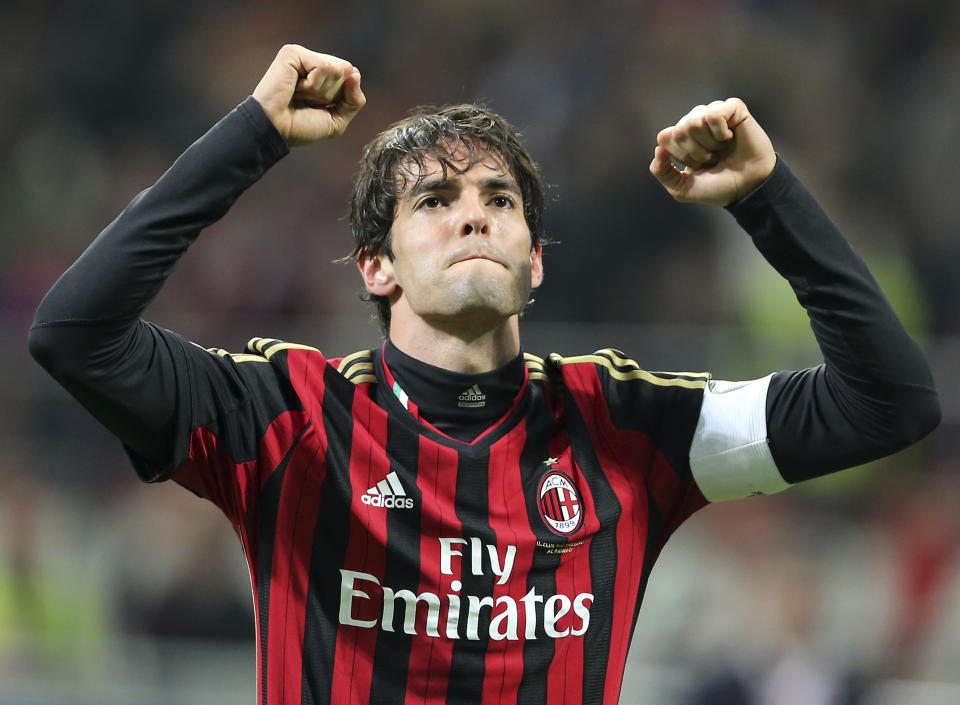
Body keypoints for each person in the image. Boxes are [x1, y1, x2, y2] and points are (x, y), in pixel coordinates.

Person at [29, 44, 940, 705]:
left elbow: (889, 404)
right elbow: (75, 334)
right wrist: (253, 136)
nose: (474, 218)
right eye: (434, 201)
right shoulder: (287, 413)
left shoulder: (626, 423)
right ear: (375, 267)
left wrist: (766, 196)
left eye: (498, 201)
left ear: (534, 261)